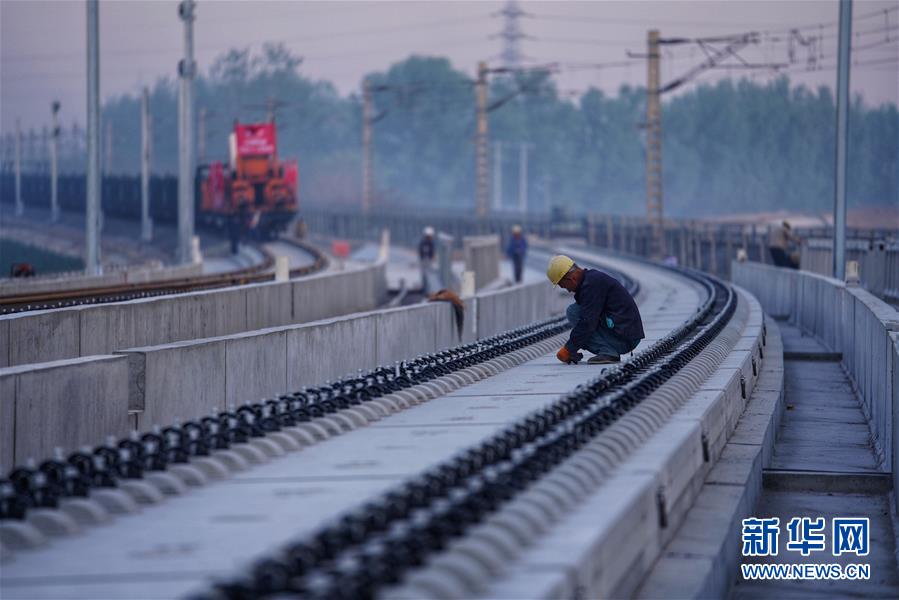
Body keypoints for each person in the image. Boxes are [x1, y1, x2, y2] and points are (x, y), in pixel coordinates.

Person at [546, 254, 645, 365]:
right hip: (625, 333)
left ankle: (608, 352)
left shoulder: (591, 285)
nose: (568, 290)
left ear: (571, 278)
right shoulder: (591, 280)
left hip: (625, 339)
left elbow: (588, 322)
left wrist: (569, 349)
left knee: (573, 312)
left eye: (564, 286)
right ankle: (608, 350)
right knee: (575, 310)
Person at [418, 226, 436, 293]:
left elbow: (421, 252)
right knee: (427, 274)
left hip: (425, 260)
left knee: (425, 274)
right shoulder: (427, 243)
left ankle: (425, 289)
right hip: (426, 260)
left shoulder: (425, 242)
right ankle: (426, 289)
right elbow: (425, 252)